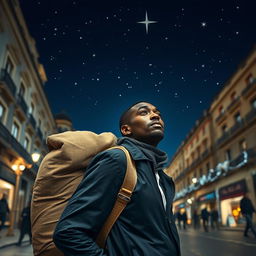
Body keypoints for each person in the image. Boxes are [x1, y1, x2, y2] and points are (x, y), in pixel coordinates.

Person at [53, 102, 180, 255]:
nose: (155, 116)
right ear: (126, 129)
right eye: (144, 112)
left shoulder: (163, 178)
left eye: (157, 113)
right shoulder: (117, 160)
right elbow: (69, 232)